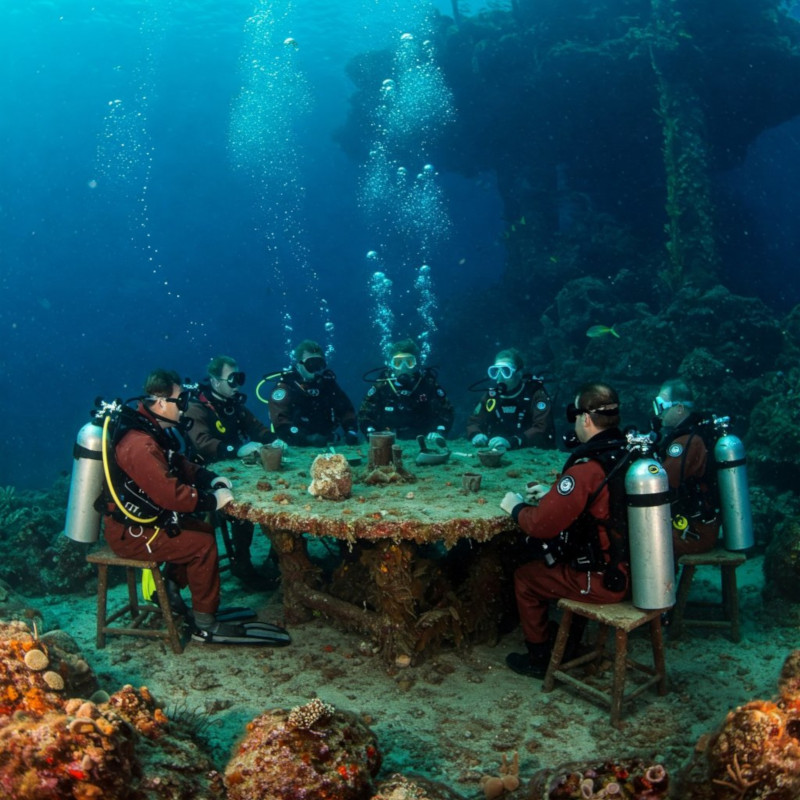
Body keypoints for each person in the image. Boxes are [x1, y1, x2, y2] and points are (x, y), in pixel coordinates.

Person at [101, 368, 289, 646]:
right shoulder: (139, 443)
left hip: (144, 522)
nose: (184, 408)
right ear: (161, 402)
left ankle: (170, 591)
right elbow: (170, 496)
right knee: (200, 545)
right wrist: (212, 500)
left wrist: (208, 477)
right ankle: (205, 625)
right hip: (131, 534)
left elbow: (177, 462)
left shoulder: (150, 430)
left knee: (202, 530)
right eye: (180, 401)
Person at [500, 382, 630, 678]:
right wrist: (555, 494)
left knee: (526, 577)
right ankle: (569, 638)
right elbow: (604, 503)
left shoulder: (588, 467)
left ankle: (539, 656)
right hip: (635, 570)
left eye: (574, 414)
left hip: (604, 579)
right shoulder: (625, 453)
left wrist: (516, 507)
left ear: (586, 419)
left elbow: (541, 525)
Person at [184, 355, 282, 585]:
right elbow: (202, 442)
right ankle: (242, 563)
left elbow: (255, 427)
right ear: (215, 381)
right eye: (232, 379)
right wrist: (236, 449)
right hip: (205, 473)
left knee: (274, 489)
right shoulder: (197, 407)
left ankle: (278, 556)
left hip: (234, 468)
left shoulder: (234, 404)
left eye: (239, 378)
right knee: (241, 504)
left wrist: (273, 440)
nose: (237, 384)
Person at [652, 378, 720, 556]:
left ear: (680, 408)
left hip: (694, 531)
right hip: (695, 525)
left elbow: (664, 482)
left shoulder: (686, 442)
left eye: (661, 406)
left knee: (636, 541)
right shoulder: (691, 434)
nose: (658, 413)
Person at [266, 340, 358, 447]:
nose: (316, 370)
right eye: (311, 364)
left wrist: (351, 430)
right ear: (299, 364)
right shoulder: (287, 386)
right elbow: (280, 423)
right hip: (296, 444)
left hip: (327, 441)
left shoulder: (327, 383)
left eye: (319, 364)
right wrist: (307, 439)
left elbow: (345, 409)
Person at [358, 338, 454, 440]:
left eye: (409, 362)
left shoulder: (427, 383)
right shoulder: (382, 385)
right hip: (388, 438)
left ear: (415, 364)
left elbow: (446, 409)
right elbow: (365, 412)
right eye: (398, 363)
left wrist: (439, 431)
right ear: (391, 365)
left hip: (423, 437)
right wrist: (370, 431)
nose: (404, 367)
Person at [467, 347, 556, 450]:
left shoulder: (534, 394)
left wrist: (513, 441)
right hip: (497, 448)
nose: (500, 377)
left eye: (506, 371)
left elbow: (542, 427)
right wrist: (476, 434)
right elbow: (474, 421)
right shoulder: (491, 396)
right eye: (495, 371)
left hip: (531, 451)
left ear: (518, 373)